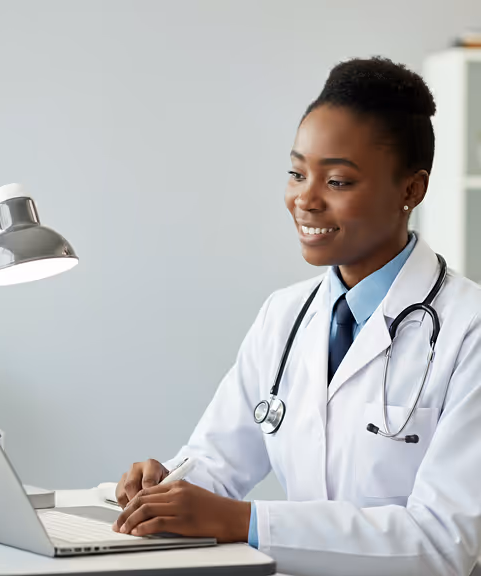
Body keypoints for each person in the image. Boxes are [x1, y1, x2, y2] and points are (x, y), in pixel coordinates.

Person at [112, 57, 481, 576]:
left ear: (410, 191)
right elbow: (217, 463)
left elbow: (444, 543)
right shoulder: (284, 315)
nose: (304, 199)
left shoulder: (469, 330)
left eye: (337, 181)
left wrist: (248, 522)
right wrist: (167, 484)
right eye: (296, 173)